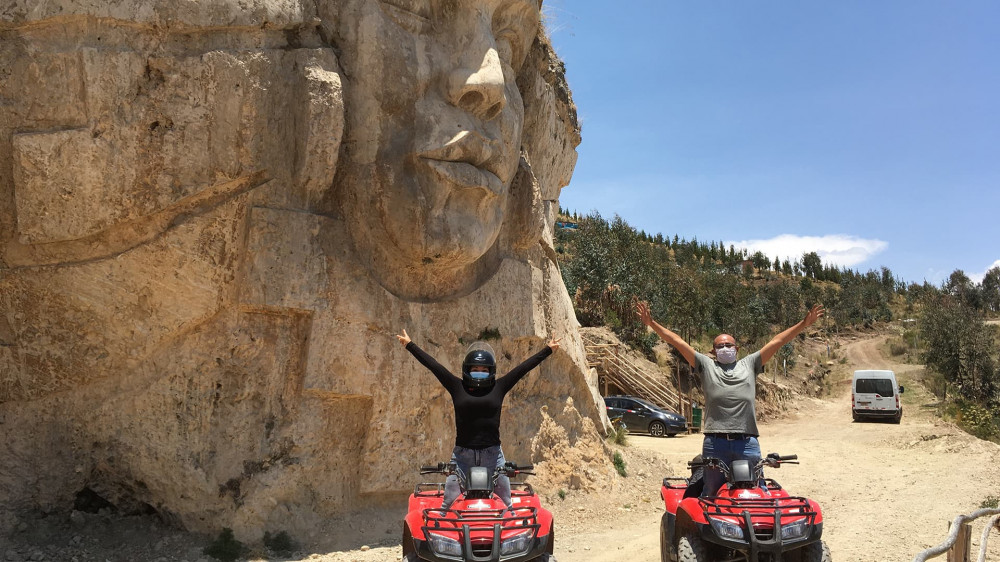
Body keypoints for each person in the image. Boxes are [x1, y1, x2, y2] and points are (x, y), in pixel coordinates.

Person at [636, 301, 825, 496]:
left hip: (747, 442)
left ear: (737, 348)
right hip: (715, 443)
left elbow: (777, 341)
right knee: (711, 495)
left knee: (756, 495)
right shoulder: (706, 365)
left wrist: (804, 323)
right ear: (713, 351)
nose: (725, 348)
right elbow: (678, 342)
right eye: (720, 346)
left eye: (729, 345)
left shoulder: (750, 363)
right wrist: (652, 323)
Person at [396, 329, 561, 512]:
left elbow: (524, 368)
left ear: (491, 371)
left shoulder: (500, 386)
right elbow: (434, 366)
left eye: (484, 370)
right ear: (467, 369)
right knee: (447, 506)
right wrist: (410, 345)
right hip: (461, 457)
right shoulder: (456, 386)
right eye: (475, 369)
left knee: (507, 505)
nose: (480, 372)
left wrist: (548, 349)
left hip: (494, 456)